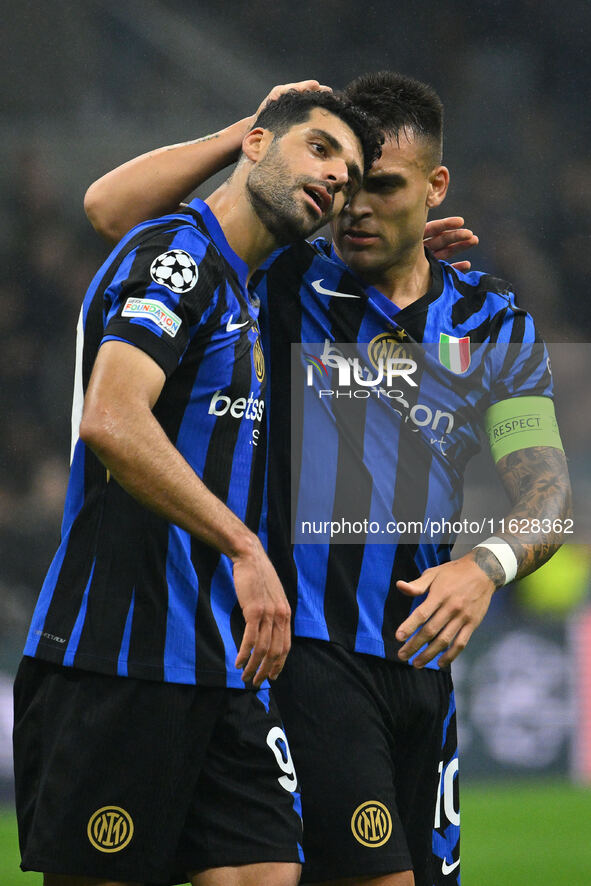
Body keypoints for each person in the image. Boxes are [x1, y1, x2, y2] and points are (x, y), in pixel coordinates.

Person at [84, 73, 572, 886]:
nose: (354, 209)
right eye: (344, 185)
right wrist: (256, 128)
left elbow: (548, 496)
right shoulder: (282, 284)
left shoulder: (489, 322)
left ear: (435, 188)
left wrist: (483, 568)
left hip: (422, 673)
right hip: (308, 655)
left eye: (382, 188)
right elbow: (113, 213)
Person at [13, 88, 383, 886]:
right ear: (256, 143)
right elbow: (111, 420)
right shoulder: (177, 260)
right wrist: (244, 546)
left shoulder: (250, 282)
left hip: (220, 662)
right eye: (318, 149)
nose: (335, 180)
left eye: (348, 174)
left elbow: (105, 206)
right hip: (120, 653)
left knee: (266, 873)